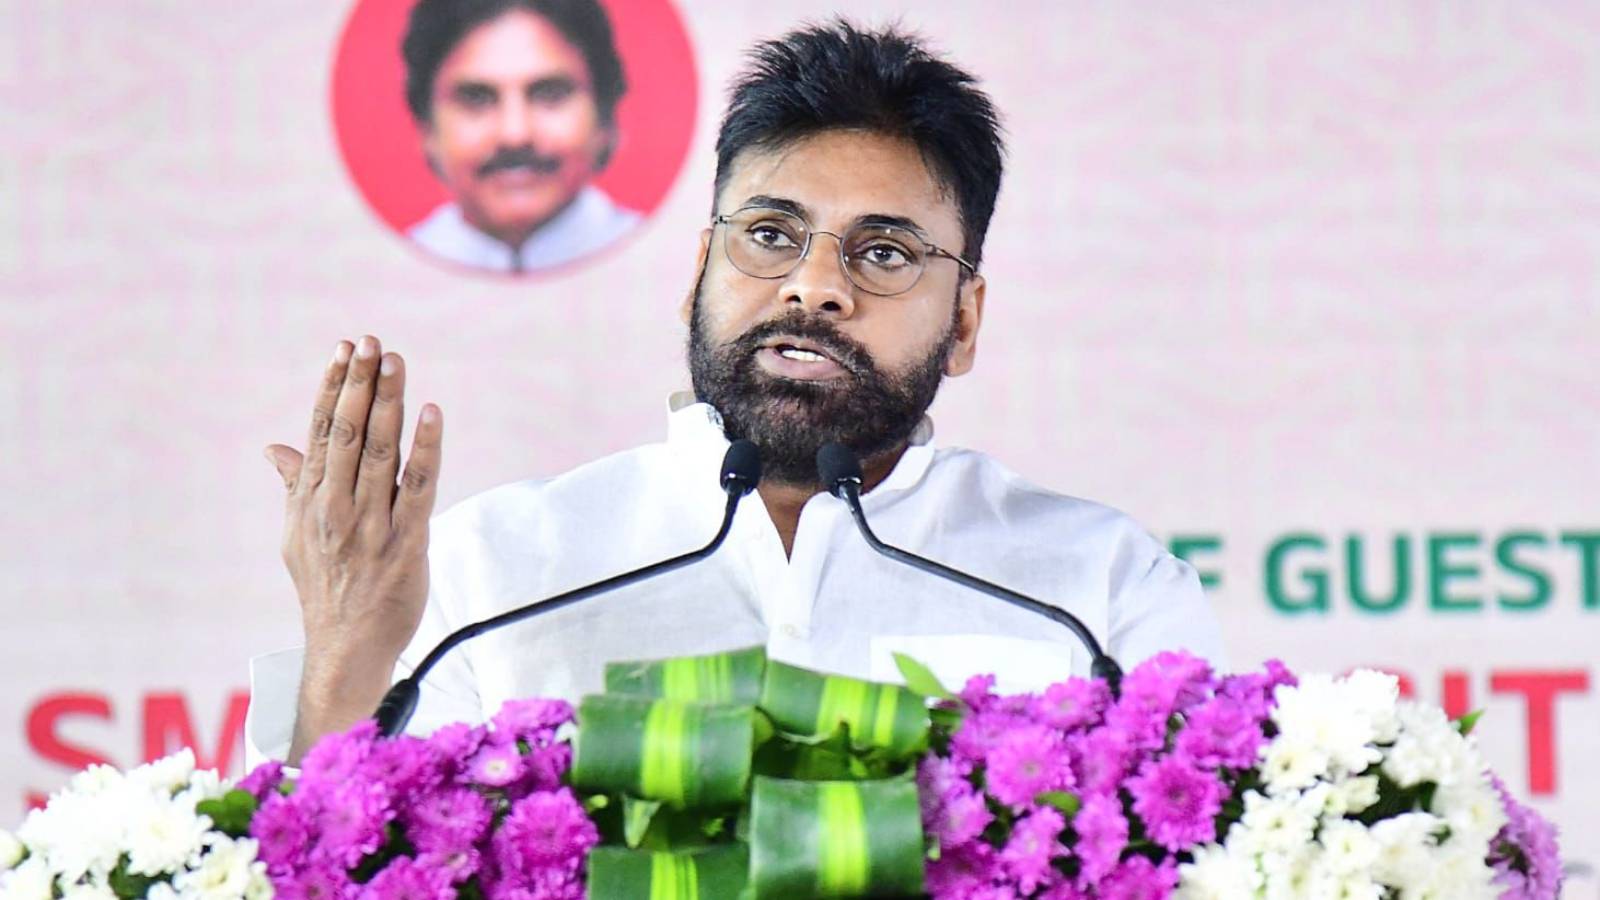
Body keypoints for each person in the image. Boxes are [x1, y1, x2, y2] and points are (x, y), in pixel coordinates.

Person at [251, 21, 1224, 764]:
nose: (813, 286)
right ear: (697, 274)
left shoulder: (1095, 593)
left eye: (882, 252)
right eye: (768, 234)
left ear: (964, 319)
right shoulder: (492, 576)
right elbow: (330, 871)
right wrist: (345, 656)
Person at [400, 0, 640, 273]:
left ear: (604, 119)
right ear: (427, 128)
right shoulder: (380, 278)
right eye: (476, 98)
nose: (515, 134)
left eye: (550, 94)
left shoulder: (671, 266)